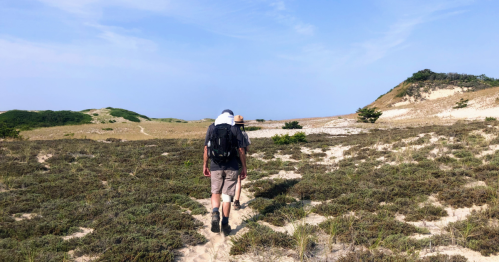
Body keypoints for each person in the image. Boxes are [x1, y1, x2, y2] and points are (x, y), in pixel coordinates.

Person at [203, 109, 248, 235]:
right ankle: (225, 223)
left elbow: (206, 148)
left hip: (215, 165)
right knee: (227, 195)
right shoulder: (235, 128)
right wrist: (244, 167)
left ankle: (215, 212)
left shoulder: (212, 127)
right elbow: (241, 150)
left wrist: (205, 165)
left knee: (215, 192)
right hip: (232, 166)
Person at [233, 115, 251, 210]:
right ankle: (236, 201)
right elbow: (247, 148)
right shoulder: (244, 134)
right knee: (238, 180)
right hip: (239, 159)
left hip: (229, 159)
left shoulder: (229, 131)